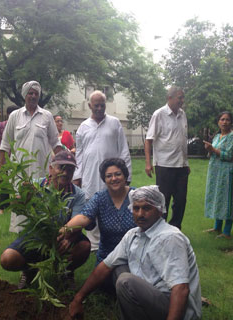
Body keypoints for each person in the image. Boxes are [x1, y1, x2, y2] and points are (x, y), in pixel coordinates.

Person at [69, 185, 202, 320]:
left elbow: (181, 289)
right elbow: (105, 265)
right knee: (118, 268)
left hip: (175, 307)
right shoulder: (133, 235)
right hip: (154, 296)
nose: (140, 214)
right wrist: (78, 299)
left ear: (160, 210)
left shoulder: (170, 238)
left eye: (146, 208)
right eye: (136, 208)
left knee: (125, 281)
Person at [0, 150, 90, 288]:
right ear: (51, 169)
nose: (66, 173)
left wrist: (69, 238)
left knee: (84, 246)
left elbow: (78, 221)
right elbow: (15, 207)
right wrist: (24, 199)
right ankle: (29, 270)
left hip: (63, 235)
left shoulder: (78, 194)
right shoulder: (35, 185)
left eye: (70, 170)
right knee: (8, 259)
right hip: (37, 235)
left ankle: (67, 272)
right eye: (62, 168)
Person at [0, 80, 62, 232]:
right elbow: (5, 144)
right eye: (30, 93)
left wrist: (62, 166)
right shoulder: (15, 116)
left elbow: (55, 143)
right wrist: (1, 167)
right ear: (24, 95)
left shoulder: (46, 116)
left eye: (36, 93)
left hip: (41, 170)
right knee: (21, 205)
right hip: (19, 171)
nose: (33, 96)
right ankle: (20, 241)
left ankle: (41, 238)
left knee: (41, 204)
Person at [73, 90, 132, 251]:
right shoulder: (83, 126)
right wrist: (77, 176)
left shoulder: (114, 123)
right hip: (90, 175)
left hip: (112, 176)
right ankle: (93, 244)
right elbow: (79, 153)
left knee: (112, 206)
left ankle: (113, 241)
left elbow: (123, 149)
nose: (99, 108)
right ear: (90, 105)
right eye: (96, 105)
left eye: (102, 105)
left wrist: (127, 175)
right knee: (91, 206)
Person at [61, 158, 136, 271]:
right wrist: (62, 231)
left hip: (134, 255)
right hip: (108, 257)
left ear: (125, 176)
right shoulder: (100, 198)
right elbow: (84, 217)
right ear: (104, 179)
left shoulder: (137, 196)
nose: (114, 178)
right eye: (109, 176)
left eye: (118, 174)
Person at [145, 86, 189, 229]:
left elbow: (182, 140)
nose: (182, 101)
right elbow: (149, 140)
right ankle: (160, 229)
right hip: (164, 165)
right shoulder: (159, 114)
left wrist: (186, 163)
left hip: (181, 166)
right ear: (169, 98)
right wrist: (148, 163)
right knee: (163, 200)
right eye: (179, 98)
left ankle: (175, 228)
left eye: (182, 98)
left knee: (181, 200)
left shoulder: (182, 114)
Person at [204, 111, 233, 239]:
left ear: (231, 122)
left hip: (227, 173)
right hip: (215, 173)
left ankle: (226, 232)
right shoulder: (217, 136)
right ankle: (217, 227)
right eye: (222, 119)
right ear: (218, 122)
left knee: (228, 200)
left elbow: (229, 156)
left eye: (227, 119)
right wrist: (209, 150)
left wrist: (213, 150)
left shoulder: (232, 137)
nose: (224, 122)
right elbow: (212, 154)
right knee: (217, 198)